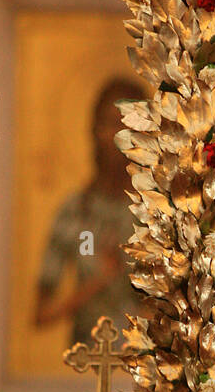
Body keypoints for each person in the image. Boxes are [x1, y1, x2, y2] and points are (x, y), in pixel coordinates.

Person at [34, 78, 143, 346]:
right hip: (84, 363)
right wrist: (96, 283)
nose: (117, 136)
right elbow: (41, 313)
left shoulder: (157, 213)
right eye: (110, 123)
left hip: (144, 369)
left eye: (128, 124)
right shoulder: (75, 212)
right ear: (95, 130)